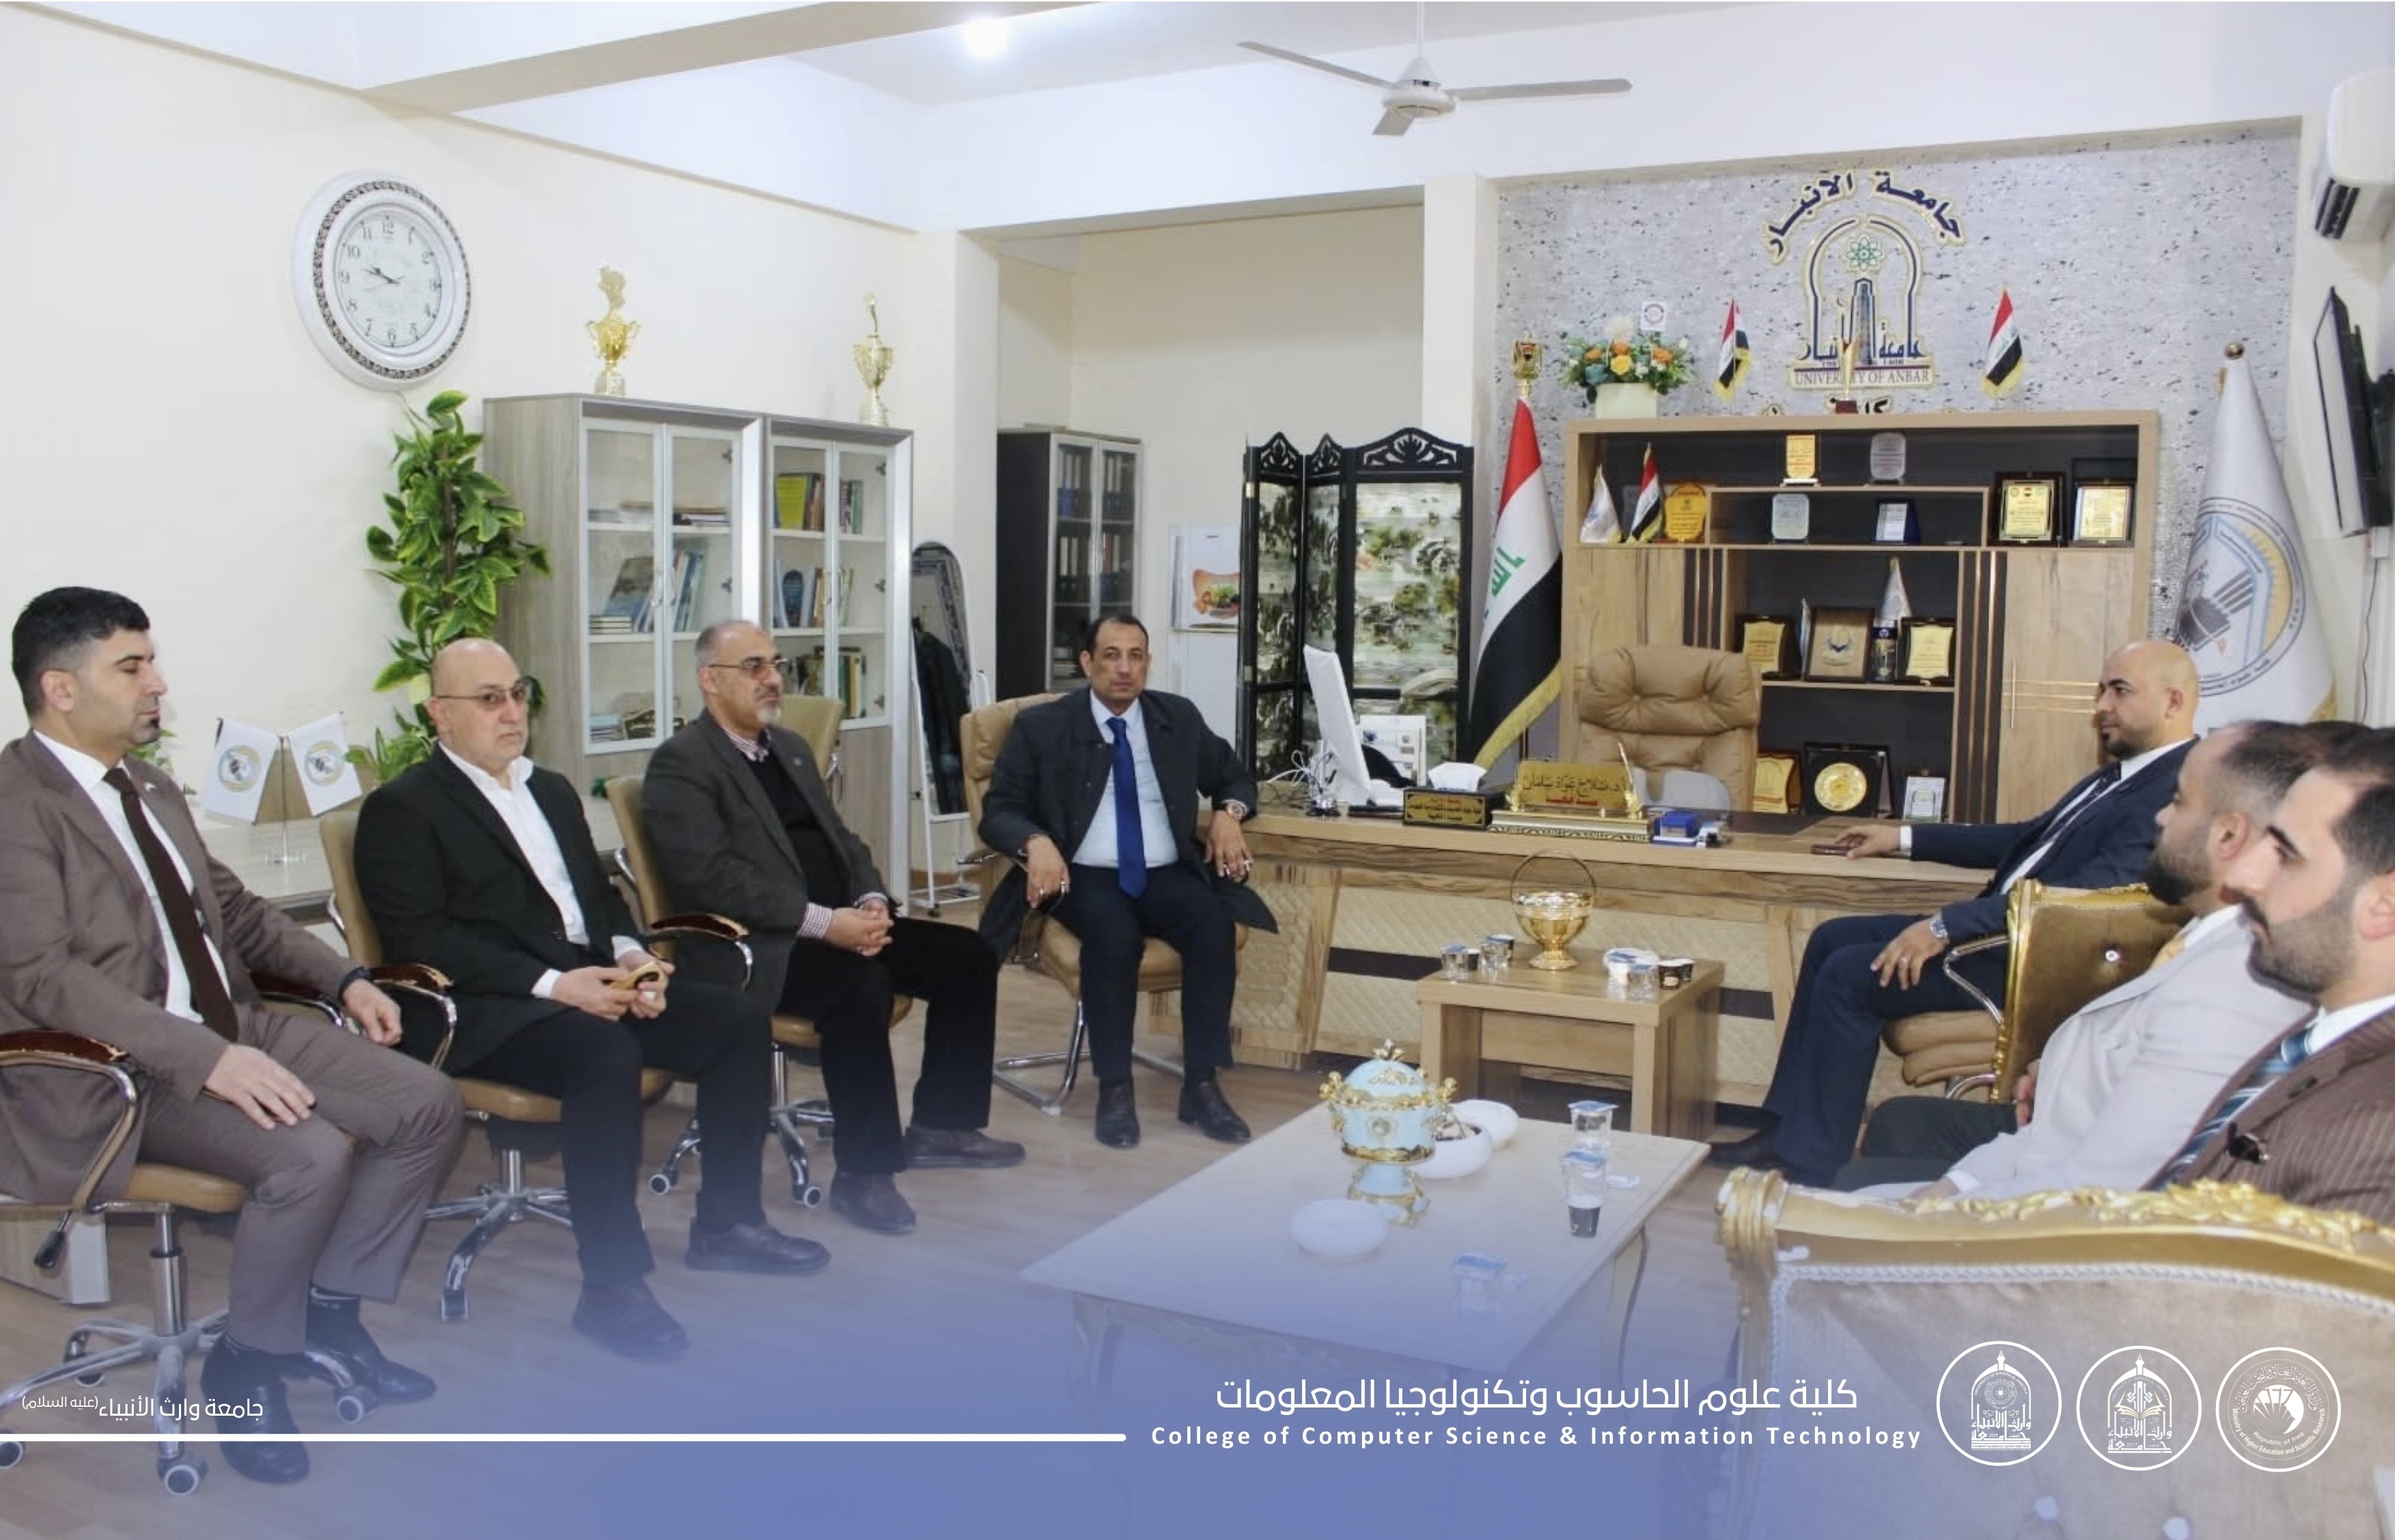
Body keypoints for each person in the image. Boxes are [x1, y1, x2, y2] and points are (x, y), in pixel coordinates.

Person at [0, 588, 462, 1485]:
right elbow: (42, 975)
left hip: (226, 1026)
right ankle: (247, 1368)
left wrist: (345, 977)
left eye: (151, 662)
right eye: (132, 666)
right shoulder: (16, 804)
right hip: (117, 1071)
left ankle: (326, 1313)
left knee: (425, 1103)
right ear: (60, 688)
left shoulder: (147, 785)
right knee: (307, 1154)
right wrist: (209, 1059)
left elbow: (238, 912)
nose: (157, 683)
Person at [352, 639, 825, 1363]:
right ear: (439, 714)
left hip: (586, 980)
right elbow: (423, 938)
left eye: (518, 694)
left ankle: (727, 1225)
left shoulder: (549, 789)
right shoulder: (403, 808)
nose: (511, 712)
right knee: (604, 1053)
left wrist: (634, 959)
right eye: (489, 699)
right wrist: (557, 985)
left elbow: (598, 902)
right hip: (487, 1007)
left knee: (735, 1018)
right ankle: (611, 1285)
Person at [1712, 639, 2202, 1185]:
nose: (2101, 706)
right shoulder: (2125, 775)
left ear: (2173, 701)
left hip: (2027, 962)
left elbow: (2080, 895)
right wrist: (1902, 836)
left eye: (2119, 691)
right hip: (2001, 934)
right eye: (2101, 690)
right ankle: (1786, 1132)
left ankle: (1812, 1165)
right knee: (1832, 938)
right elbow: (2024, 839)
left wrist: (1945, 926)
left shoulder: (2172, 791)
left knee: (1849, 976)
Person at [1832, 720, 2342, 1197]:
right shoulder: (2209, 929)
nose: (2161, 817)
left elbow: (2105, 1190)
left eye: (2179, 803)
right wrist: (2053, 1074)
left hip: (2062, 1200)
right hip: (2050, 1138)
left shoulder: (2238, 984)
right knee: (1889, 1131)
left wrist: (1936, 1207)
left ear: (2229, 836)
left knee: (1848, 1193)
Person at [641, 621, 1021, 1237]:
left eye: (775, 664)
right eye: (754, 667)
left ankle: (942, 1126)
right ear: (710, 680)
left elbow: (842, 840)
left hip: (837, 923)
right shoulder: (682, 764)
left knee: (969, 954)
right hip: (756, 948)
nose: (773, 679)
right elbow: (712, 880)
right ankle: (865, 1174)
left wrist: (870, 900)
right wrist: (825, 923)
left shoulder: (788, 748)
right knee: (859, 986)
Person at [978, 612, 1278, 1149]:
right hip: (1082, 875)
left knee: (1213, 923)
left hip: (1165, 871)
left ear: (1148, 663)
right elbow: (999, 810)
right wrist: (1036, 842)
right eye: (1111, 655)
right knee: (1114, 936)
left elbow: (1233, 775)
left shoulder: (1176, 718)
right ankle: (1115, 1087)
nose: (1124, 668)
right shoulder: (1043, 727)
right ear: (1087, 662)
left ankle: (1202, 1085)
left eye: (1135, 656)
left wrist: (1229, 813)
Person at [2165, 727, 2395, 1225]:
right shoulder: (2323, 1032)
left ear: (2385, 905)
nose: (2240, 877)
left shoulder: (2381, 1128)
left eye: (2286, 855)